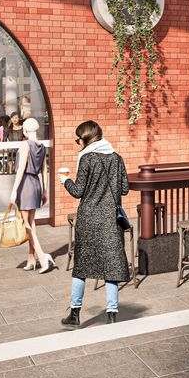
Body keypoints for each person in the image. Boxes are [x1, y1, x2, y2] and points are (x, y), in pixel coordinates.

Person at [59, 120, 130, 326]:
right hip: (110, 220)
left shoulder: (87, 159)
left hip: (89, 219)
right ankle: (112, 314)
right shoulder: (117, 158)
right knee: (111, 267)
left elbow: (78, 191)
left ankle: (74, 314)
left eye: (77, 139)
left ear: (86, 139)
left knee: (81, 267)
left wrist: (65, 181)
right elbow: (124, 189)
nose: (77, 143)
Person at [7, 112, 55, 273]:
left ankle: (43, 257)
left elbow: (20, 169)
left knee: (26, 224)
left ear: (25, 131)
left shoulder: (25, 145)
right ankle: (31, 258)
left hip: (26, 184)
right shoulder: (41, 147)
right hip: (36, 184)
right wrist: (45, 190)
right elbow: (44, 170)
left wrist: (14, 191)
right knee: (31, 223)